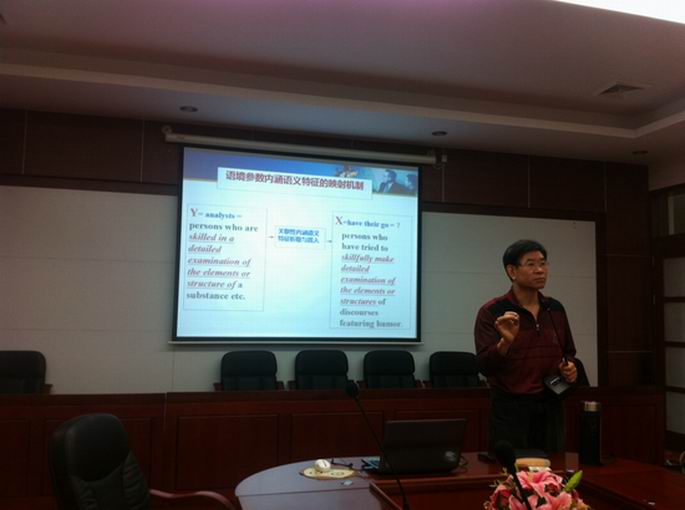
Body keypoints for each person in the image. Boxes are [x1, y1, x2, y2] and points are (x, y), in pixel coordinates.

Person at [474, 239, 578, 454]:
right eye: (531, 264)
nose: (540, 270)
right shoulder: (493, 311)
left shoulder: (554, 308)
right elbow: (485, 365)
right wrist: (505, 343)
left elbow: (568, 351)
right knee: (511, 471)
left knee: (552, 471)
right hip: (510, 410)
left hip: (551, 406)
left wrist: (569, 367)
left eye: (543, 263)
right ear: (512, 271)